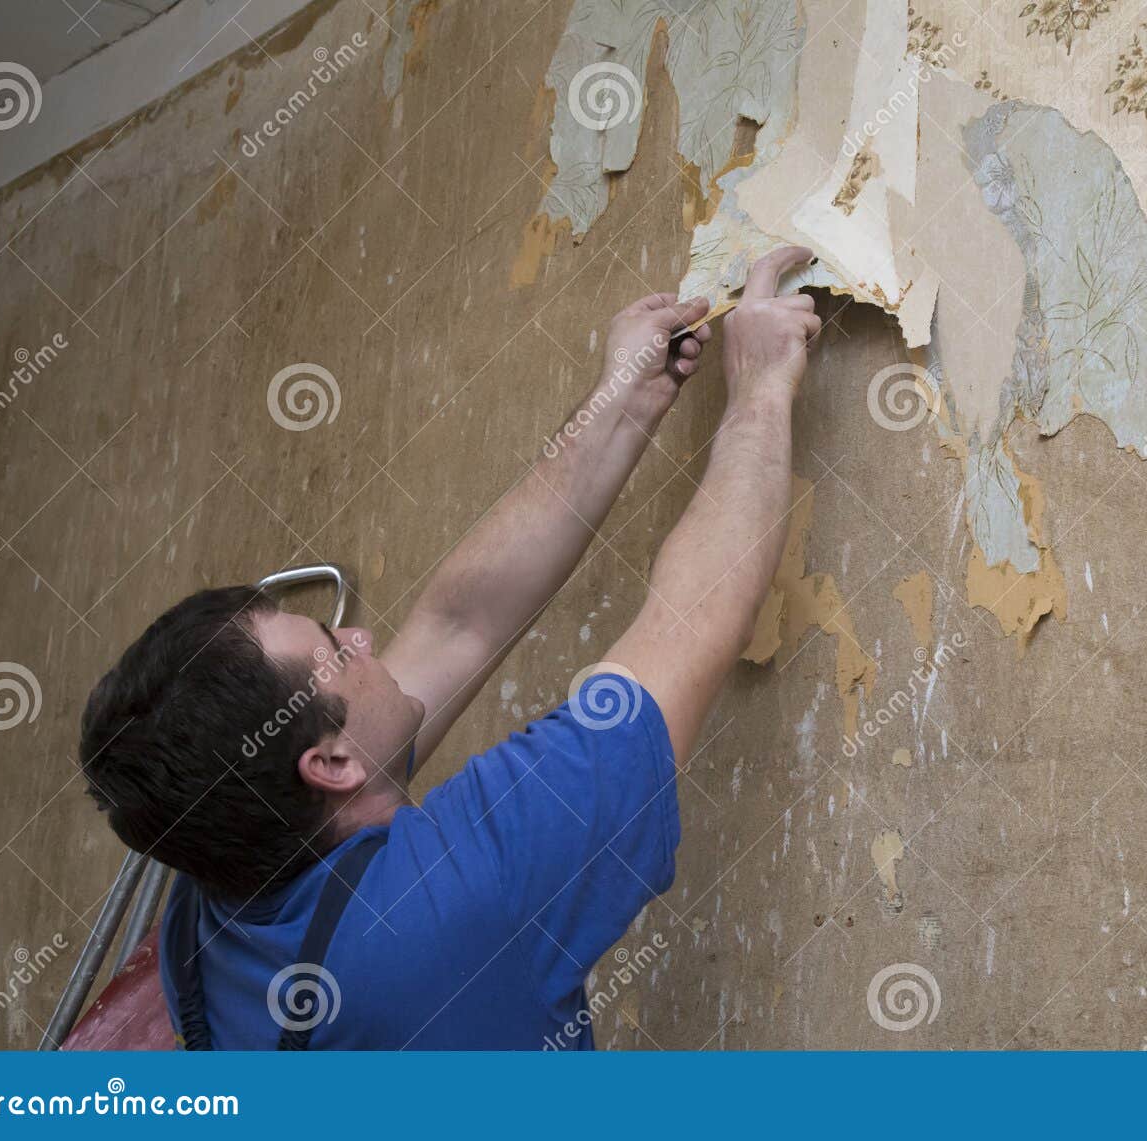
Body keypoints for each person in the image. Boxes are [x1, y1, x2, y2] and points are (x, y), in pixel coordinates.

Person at [77, 246, 822, 1049]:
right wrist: (760, 383)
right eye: (337, 649)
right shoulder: (456, 904)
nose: (363, 636)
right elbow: (696, 618)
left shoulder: (213, 902)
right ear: (330, 764)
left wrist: (624, 401)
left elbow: (460, 624)